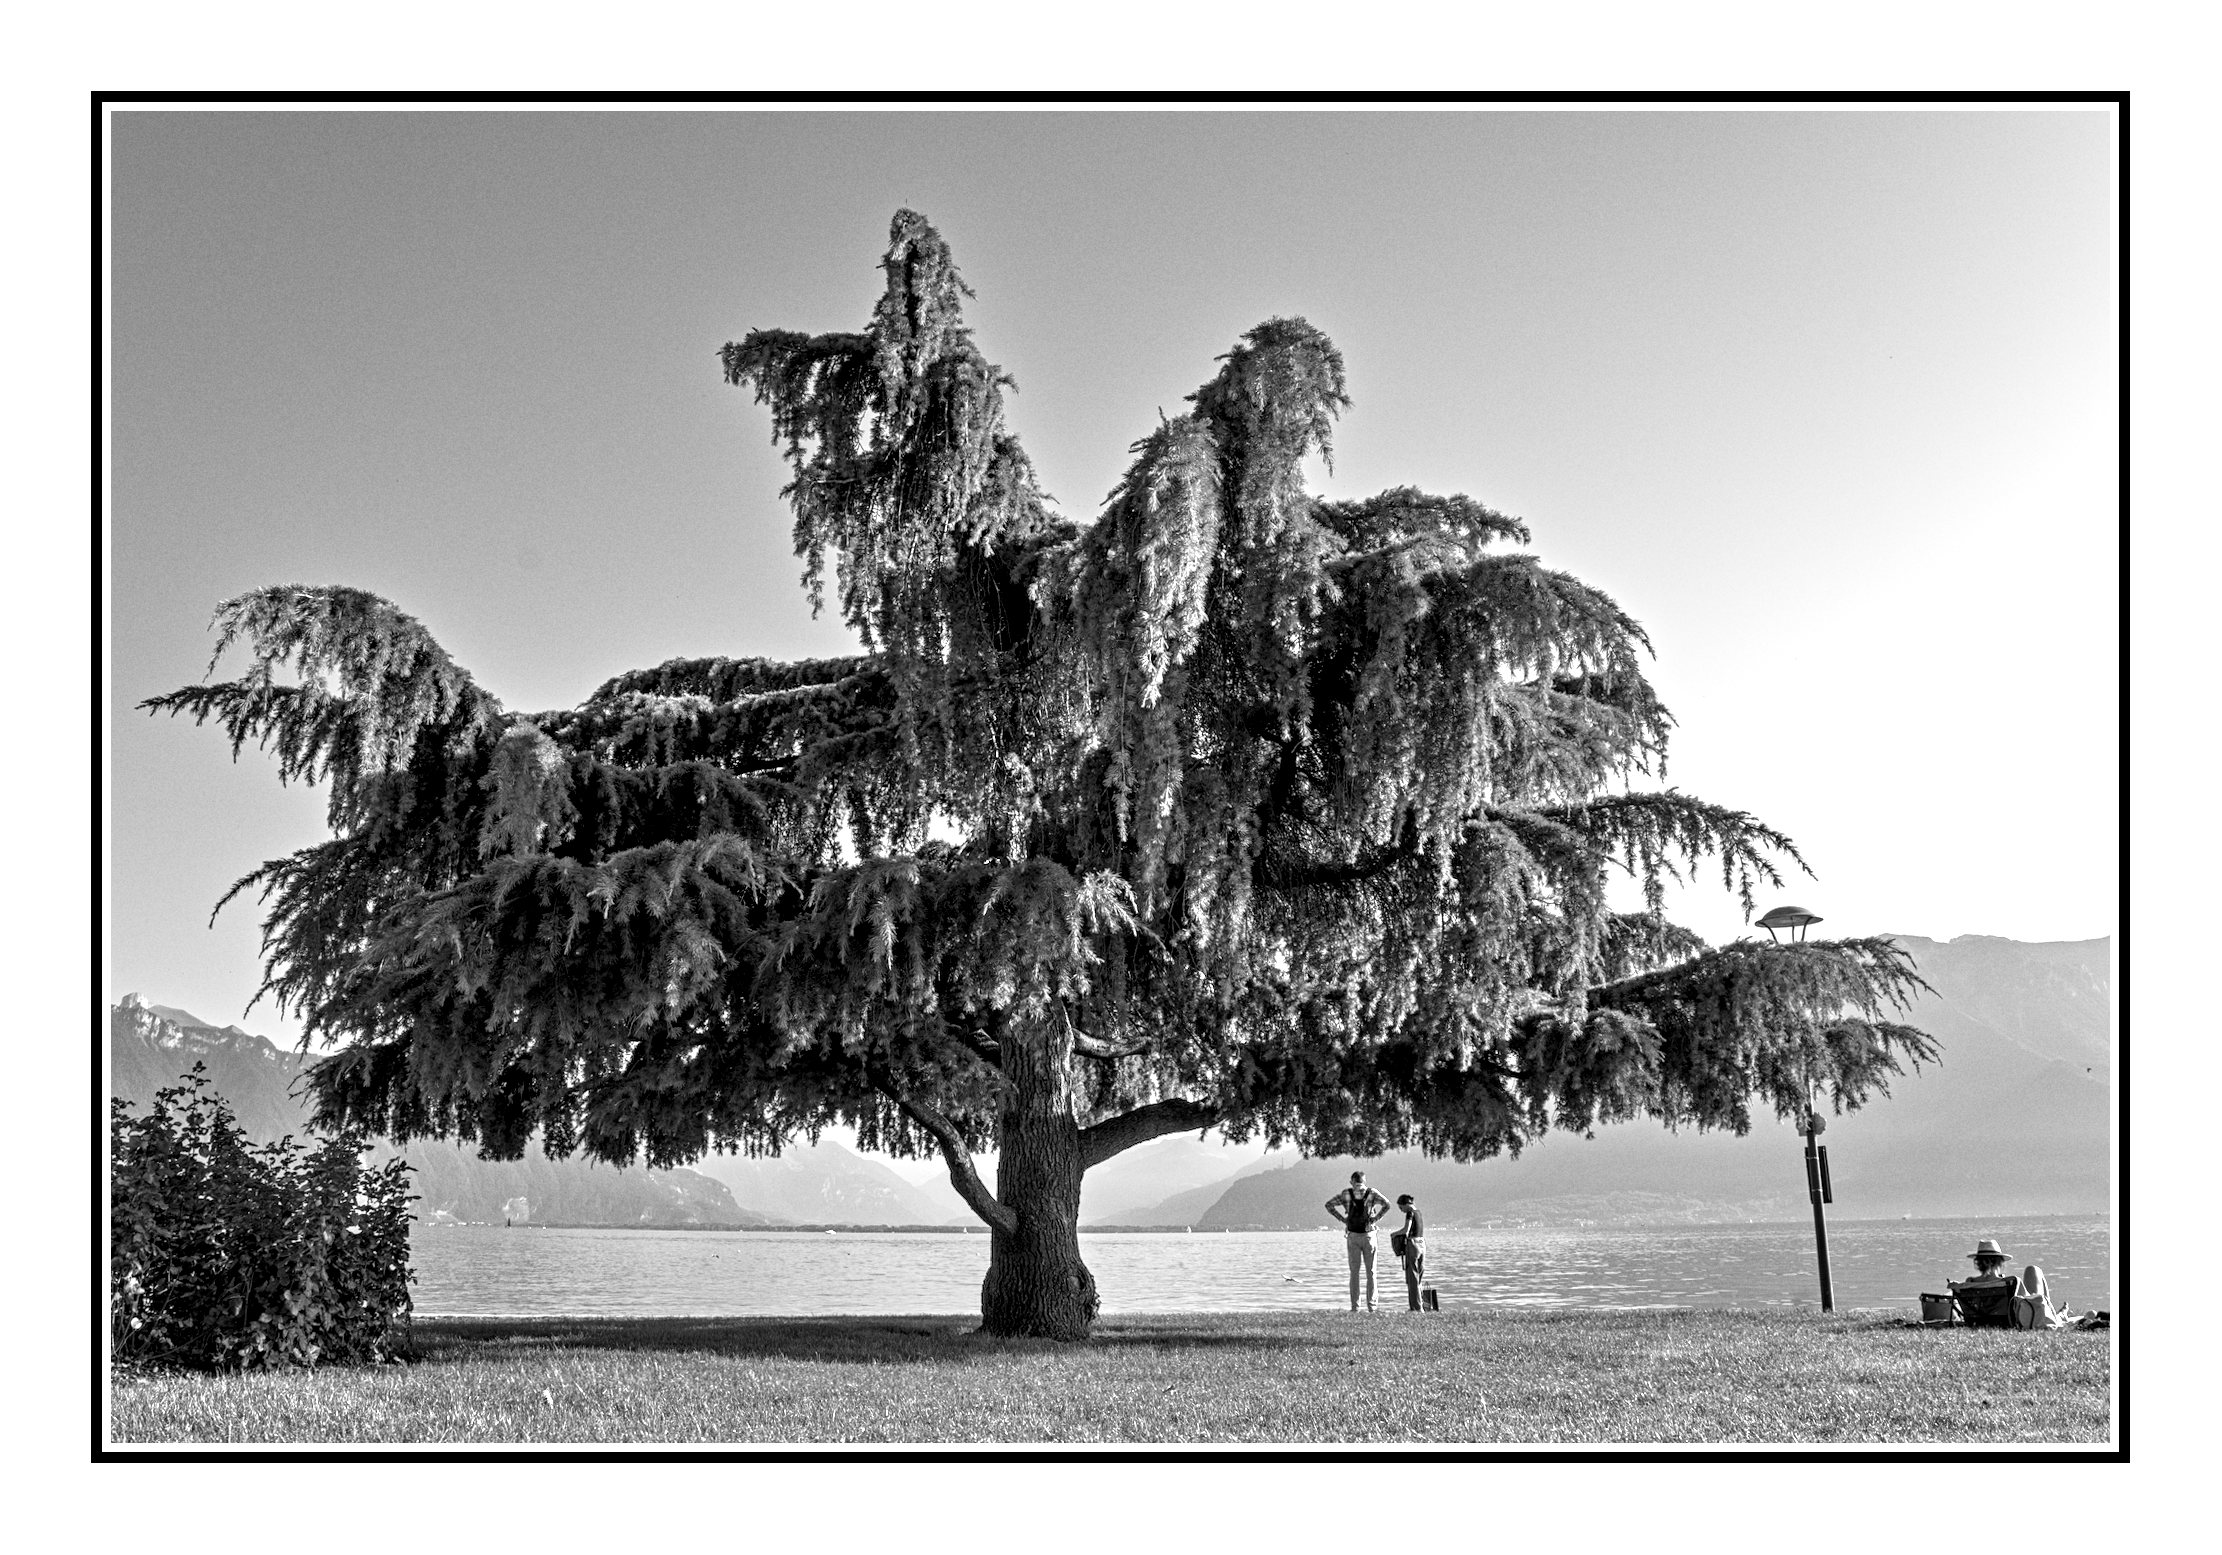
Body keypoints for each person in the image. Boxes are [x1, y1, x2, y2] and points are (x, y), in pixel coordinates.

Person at [1325, 1171, 1392, 1312]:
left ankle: (1355, 1307)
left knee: (1354, 1273)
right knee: (1371, 1272)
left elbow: (1329, 1205)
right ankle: (1372, 1307)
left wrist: (1343, 1219)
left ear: (1352, 1181)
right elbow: (1387, 1204)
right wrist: (1375, 1219)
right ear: (1364, 1180)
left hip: (1353, 1236)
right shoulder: (1372, 1192)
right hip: (1369, 1235)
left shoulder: (1345, 1194)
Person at [1393, 1193, 1427, 1311]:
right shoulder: (1419, 1212)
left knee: (1412, 1277)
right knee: (1419, 1276)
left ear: (1406, 1205)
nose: (1401, 1210)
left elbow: (1406, 1230)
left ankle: (1416, 1308)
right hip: (1422, 1244)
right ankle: (1420, 1304)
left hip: (1413, 1244)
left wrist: (1394, 1234)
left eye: (1401, 1208)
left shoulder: (1410, 1213)